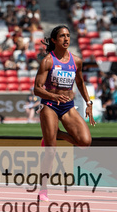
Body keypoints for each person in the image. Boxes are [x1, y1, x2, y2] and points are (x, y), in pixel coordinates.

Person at [33, 25, 96, 202]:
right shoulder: (48, 61)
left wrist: (89, 103)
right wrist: (53, 95)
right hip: (50, 105)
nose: (66, 39)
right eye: (62, 36)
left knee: (85, 142)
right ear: (54, 40)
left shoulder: (76, 61)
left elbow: (81, 83)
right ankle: (43, 189)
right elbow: (37, 89)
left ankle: (55, 134)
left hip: (68, 106)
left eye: (68, 35)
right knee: (51, 151)